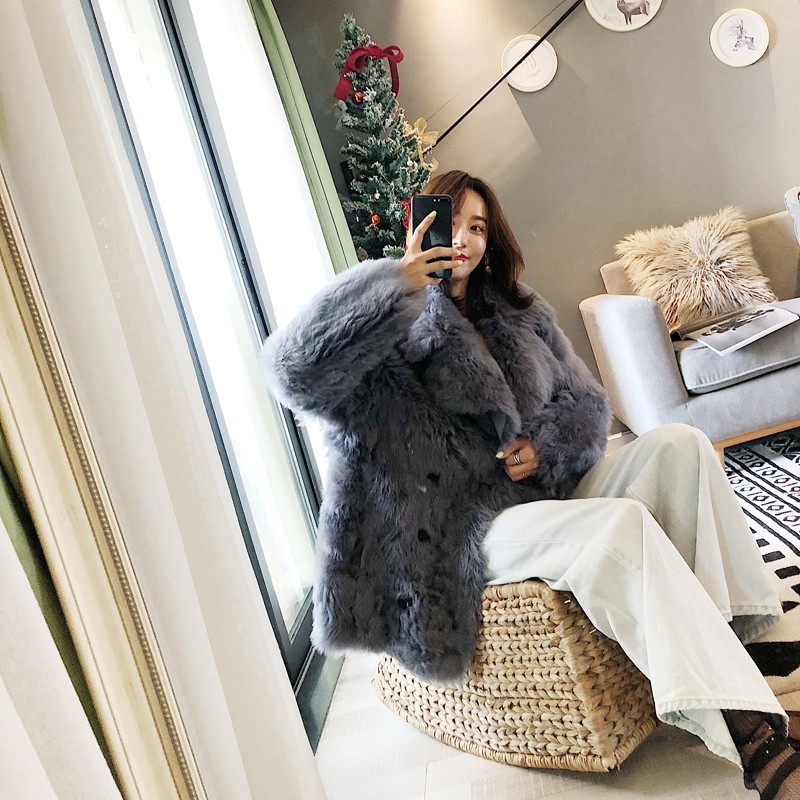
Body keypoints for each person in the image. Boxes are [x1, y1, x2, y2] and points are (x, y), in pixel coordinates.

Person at [261, 170, 800, 798]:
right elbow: (293, 371)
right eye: (450, 222)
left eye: (477, 227)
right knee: (618, 528)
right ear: (418, 224)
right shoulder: (385, 322)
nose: (463, 239)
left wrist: (542, 447)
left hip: (539, 494)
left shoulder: (516, 309)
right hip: (455, 531)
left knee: (681, 444)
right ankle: (747, 728)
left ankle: (734, 636)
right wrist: (396, 283)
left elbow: (588, 404)